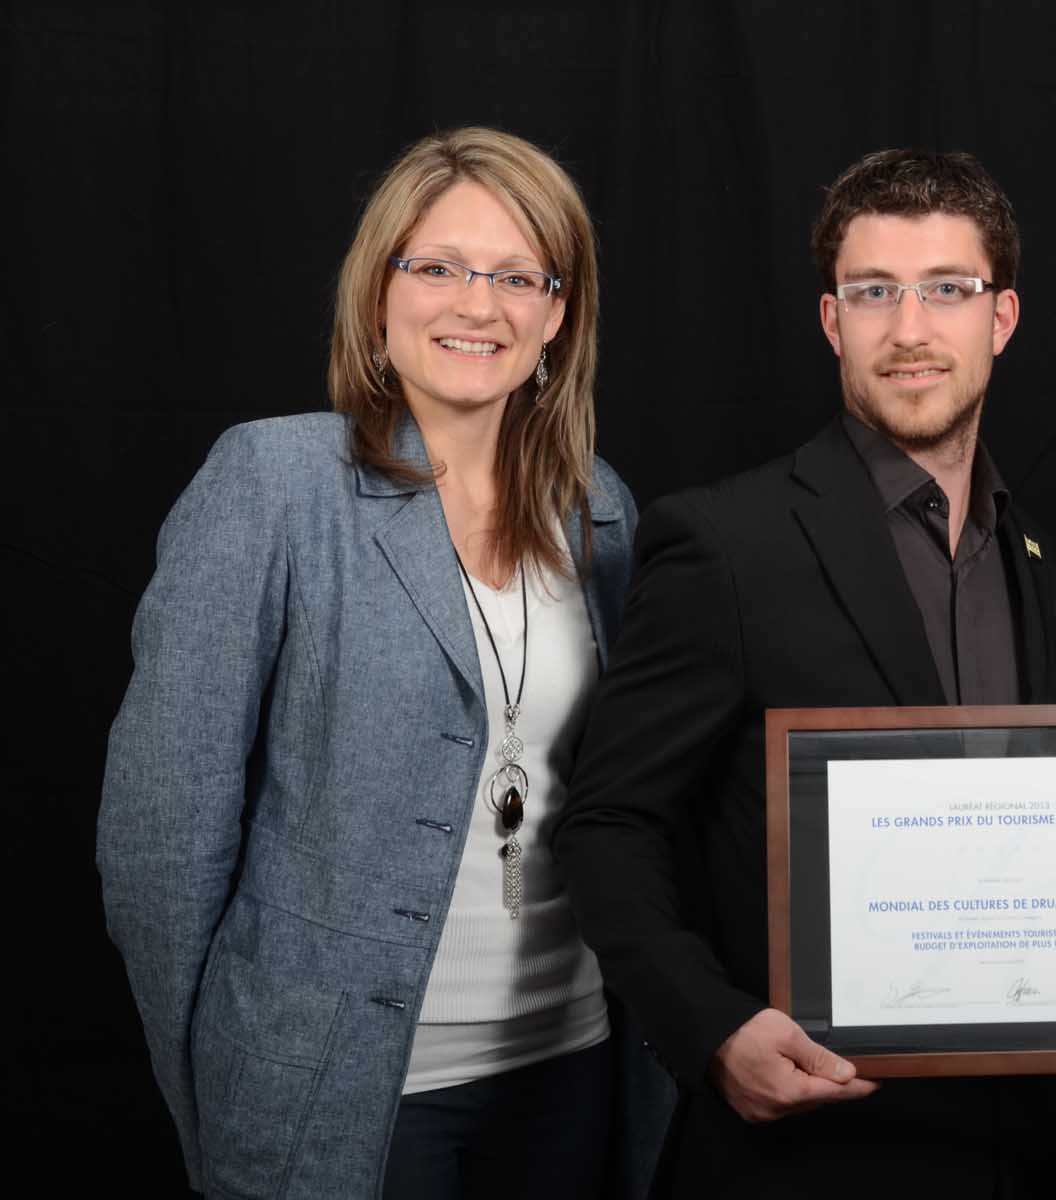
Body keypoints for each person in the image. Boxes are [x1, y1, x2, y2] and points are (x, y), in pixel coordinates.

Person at [97, 127, 671, 1198]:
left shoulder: (599, 508)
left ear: (555, 315)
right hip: (335, 1084)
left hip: (571, 1064)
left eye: (516, 277)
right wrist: (214, 1072)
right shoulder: (273, 484)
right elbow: (158, 838)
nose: (476, 304)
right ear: (379, 293)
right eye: (439, 266)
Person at [553, 148, 1056, 1198]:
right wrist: (711, 1032)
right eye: (874, 292)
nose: (911, 329)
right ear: (833, 322)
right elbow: (609, 822)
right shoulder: (726, 543)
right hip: (805, 1149)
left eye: (948, 290)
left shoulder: (1052, 568)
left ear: (1003, 317)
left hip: (1027, 1146)